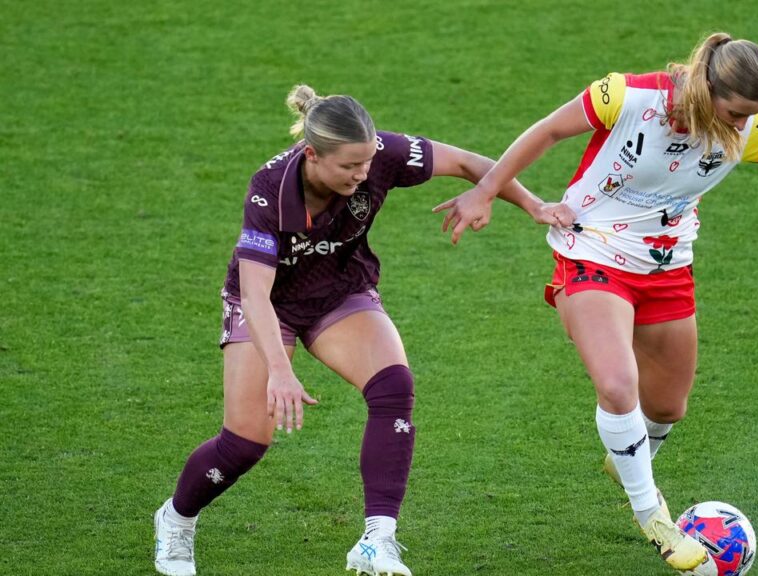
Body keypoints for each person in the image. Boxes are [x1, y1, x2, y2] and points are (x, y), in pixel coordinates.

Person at [434, 32, 758, 573]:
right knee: (617, 384)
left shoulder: (749, 129)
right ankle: (653, 517)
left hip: (666, 269)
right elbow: (548, 130)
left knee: (667, 407)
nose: (744, 125)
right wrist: (485, 190)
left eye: (754, 114)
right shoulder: (626, 97)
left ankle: (628, 457)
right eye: (736, 112)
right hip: (592, 251)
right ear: (707, 89)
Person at [153, 84, 560, 576]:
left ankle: (377, 540)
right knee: (244, 443)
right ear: (312, 155)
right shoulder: (269, 190)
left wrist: (523, 203)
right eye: (349, 166)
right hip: (267, 304)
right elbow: (256, 295)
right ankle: (176, 519)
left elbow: (471, 162)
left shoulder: (380, 153)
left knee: (394, 387)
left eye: (367, 162)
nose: (363, 173)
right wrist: (280, 371)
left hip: (339, 291)